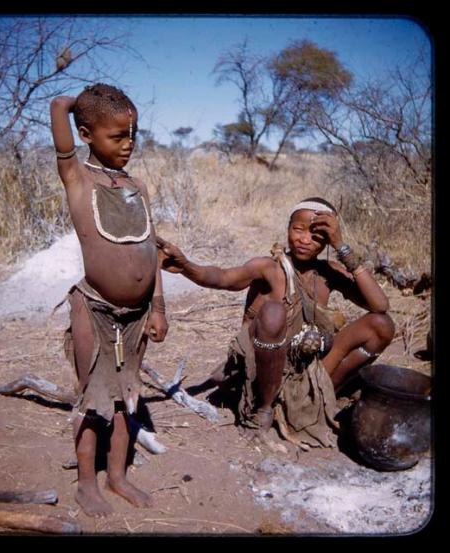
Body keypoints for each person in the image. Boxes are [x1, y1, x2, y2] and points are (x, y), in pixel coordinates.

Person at [157, 197, 395, 449]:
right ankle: (264, 410)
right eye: (298, 230)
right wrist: (186, 266)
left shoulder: (328, 274)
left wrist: (343, 247)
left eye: (316, 236)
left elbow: (379, 306)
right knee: (273, 312)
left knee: (382, 325)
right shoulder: (268, 268)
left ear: (326, 242)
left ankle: (323, 395)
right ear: (288, 228)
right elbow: (222, 277)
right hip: (262, 372)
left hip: (306, 370)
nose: (304, 239)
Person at [50, 83, 168, 517]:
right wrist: (66, 104)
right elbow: (61, 125)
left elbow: (151, 250)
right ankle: (86, 483)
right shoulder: (79, 179)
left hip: (136, 316)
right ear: (86, 134)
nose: (128, 144)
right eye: (117, 136)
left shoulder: (137, 187)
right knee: (94, 397)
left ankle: (117, 476)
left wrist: (157, 307)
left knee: (128, 397)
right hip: (94, 308)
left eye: (132, 134)